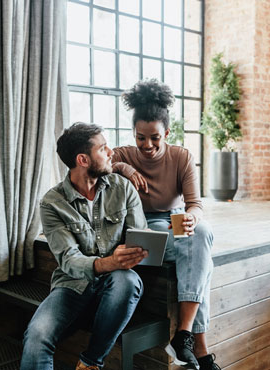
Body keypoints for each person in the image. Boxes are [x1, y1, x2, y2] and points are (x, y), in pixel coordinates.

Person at [20, 123, 149, 370]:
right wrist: (109, 261)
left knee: (128, 280)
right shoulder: (52, 203)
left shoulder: (122, 188)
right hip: (72, 285)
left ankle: (90, 363)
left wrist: (136, 252)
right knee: (36, 335)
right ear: (83, 159)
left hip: (115, 283)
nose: (111, 152)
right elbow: (68, 260)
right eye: (103, 148)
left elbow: (140, 237)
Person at [112, 79, 219, 370]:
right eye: (141, 138)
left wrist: (192, 216)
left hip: (174, 221)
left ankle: (182, 333)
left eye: (155, 138)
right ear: (134, 134)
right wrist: (125, 167)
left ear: (167, 133)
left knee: (203, 233)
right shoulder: (123, 154)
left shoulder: (181, 156)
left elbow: (195, 203)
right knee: (201, 261)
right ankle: (200, 348)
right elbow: (100, 164)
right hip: (144, 227)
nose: (147, 145)